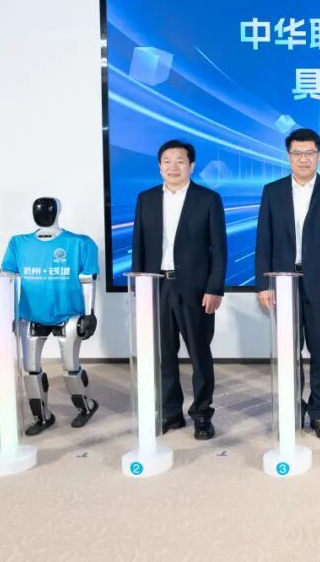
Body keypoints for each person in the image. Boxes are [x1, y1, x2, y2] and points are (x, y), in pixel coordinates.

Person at [255, 128, 320, 440]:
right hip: (282, 283)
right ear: (288, 156)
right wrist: (263, 284)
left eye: (309, 153)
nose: (303, 159)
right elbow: (263, 240)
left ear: (319, 156)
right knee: (288, 351)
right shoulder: (273, 191)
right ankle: (292, 408)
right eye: (297, 153)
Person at [132, 139, 227, 440]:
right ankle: (171, 412)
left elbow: (219, 249)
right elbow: (139, 246)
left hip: (196, 290)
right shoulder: (146, 199)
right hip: (157, 286)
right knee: (163, 355)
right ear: (159, 166)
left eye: (180, 161)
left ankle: (202, 414)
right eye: (167, 161)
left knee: (200, 354)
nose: (173, 167)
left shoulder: (208, 199)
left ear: (191, 166)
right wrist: (140, 289)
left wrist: (215, 288)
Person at [1, 197, 100, 435]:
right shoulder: (18, 243)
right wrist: (3, 311)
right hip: (31, 314)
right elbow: (6, 278)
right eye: (38, 209)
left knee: (70, 368)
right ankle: (42, 416)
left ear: (57, 211)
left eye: (47, 209)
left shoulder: (80, 243)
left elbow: (88, 280)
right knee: (31, 370)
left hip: (68, 313)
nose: (42, 213)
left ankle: (86, 406)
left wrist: (90, 314)